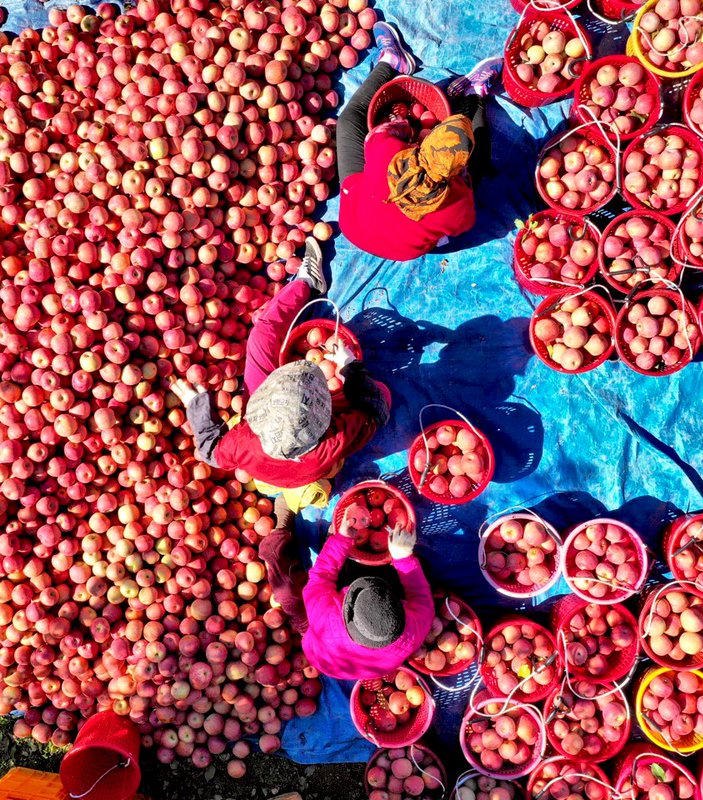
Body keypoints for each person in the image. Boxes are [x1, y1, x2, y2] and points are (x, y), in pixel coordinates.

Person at [171, 241, 391, 508]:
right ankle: (306, 285)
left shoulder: (244, 442)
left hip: (273, 457)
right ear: (325, 418)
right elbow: (376, 413)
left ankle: (306, 283)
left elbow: (209, 450)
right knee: (383, 393)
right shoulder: (333, 442)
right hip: (311, 465)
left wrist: (198, 408)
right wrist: (351, 369)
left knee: (262, 337)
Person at [338, 21, 500, 262]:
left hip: (354, 224)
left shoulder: (387, 152)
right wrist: (465, 177)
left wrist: (402, 125)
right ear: (456, 172)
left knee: (348, 122)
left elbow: (379, 134)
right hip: (401, 247)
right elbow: (464, 224)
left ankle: (391, 62)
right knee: (480, 156)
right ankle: (475, 93)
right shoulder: (458, 201)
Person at [259, 496, 434, 680]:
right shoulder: (412, 634)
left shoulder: (326, 615)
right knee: (422, 570)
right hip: (353, 660)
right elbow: (422, 598)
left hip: (319, 641)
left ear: (346, 608)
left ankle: (279, 535)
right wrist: (403, 557)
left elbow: (322, 574)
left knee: (286, 592)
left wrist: (341, 538)